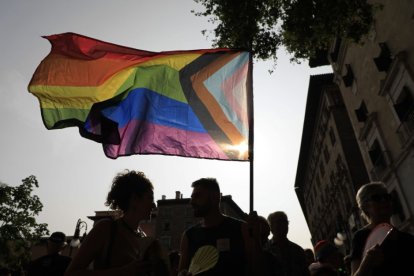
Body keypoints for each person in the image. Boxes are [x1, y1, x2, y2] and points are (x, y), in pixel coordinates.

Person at [65, 170, 169, 276]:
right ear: (134, 199)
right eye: (150, 199)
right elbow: (71, 273)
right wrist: (123, 272)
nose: (154, 206)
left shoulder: (144, 238)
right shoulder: (106, 229)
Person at [178, 178, 249, 275]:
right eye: (192, 197)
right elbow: (181, 270)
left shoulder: (241, 229)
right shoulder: (188, 236)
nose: (191, 202)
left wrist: (256, 239)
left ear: (215, 197)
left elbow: (258, 270)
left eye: (197, 196)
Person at [350, 181, 414, 276]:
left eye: (387, 197)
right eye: (377, 198)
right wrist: (367, 263)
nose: (384, 201)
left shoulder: (407, 239)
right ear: (366, 206)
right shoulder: (361, 237)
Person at [266, 211, 310, 276]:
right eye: (279, 222)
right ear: (271, 227)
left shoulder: (298, 250)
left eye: (285, 222)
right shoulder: (265, 249)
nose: (283, 225)